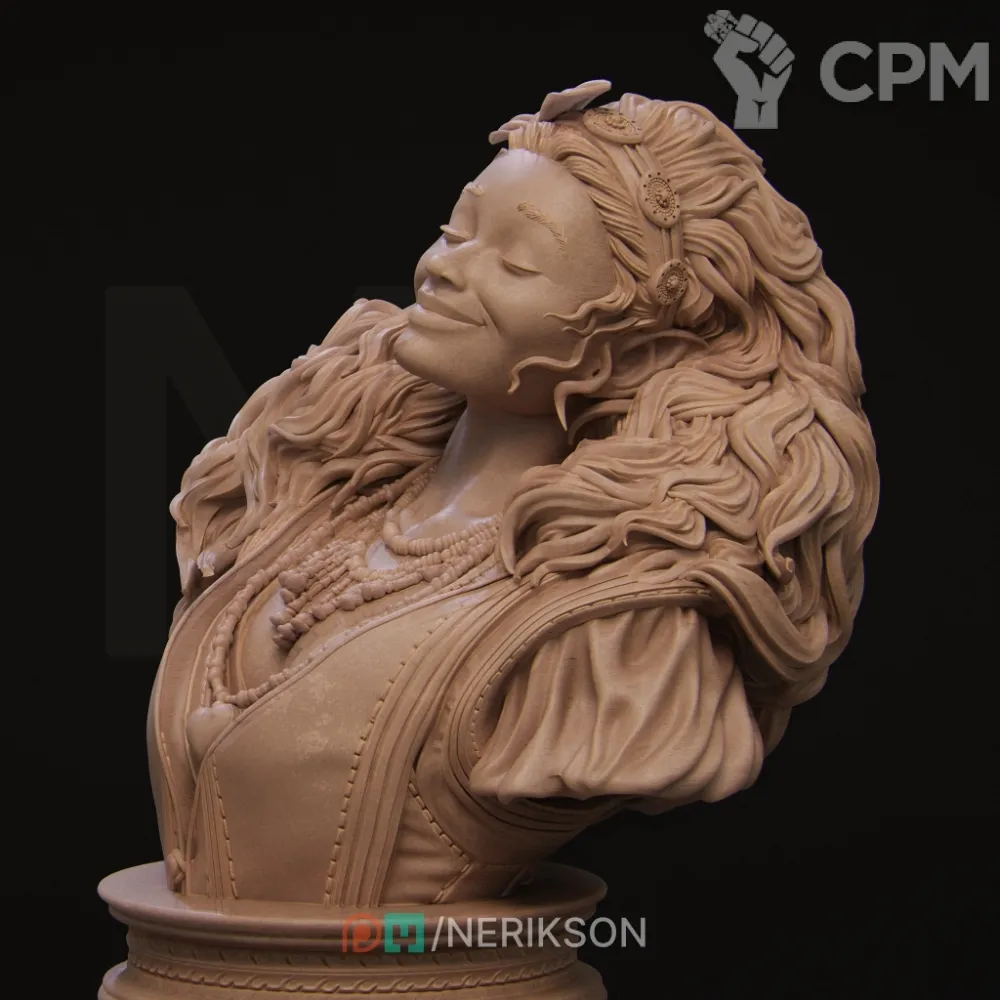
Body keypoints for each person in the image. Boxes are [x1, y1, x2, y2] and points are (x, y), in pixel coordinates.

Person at [150, 82, 878, 908]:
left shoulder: (613, 617)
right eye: (455, 232)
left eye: (517, 261)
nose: (441, 269)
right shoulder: (315, 485)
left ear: (639, 346)